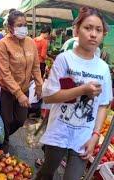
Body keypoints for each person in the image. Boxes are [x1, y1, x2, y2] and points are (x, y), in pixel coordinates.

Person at [36, 7, 112, 180]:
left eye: (98, 30)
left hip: (84, 137)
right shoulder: (64, 59)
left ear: (103, 34)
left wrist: (95, 136)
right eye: (88, 28)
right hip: (59, 132)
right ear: (77, 30)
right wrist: (83, 89)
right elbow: (49, 97)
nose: (93, 34)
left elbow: (103, 104)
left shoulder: (103, 68)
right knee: (46, 173)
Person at [0, 9, 43, 153]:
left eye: (25, 24)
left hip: (25, 89)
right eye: (19, 25)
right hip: (6, 90)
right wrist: (18, 93)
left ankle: (2, 136)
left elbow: (36, 65)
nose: (23, 28)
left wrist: (39, 84)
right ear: (10, 27)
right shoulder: (3, 44)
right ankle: (2, 146)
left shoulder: (30, 42)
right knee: (5, 120)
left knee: (21, 119)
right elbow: (5, 73)